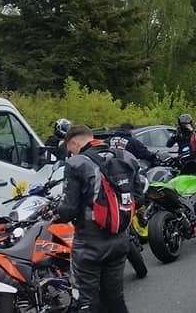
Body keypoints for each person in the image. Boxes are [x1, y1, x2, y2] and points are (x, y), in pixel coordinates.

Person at [57, 124, 144, 313]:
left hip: (89, 244)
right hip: (120, 240)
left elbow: (68, 210)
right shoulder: (126, 156)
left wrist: (58, 212)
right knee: (114, 298)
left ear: (73, 142)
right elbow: (140, 196)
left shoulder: (76, 164)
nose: (69, 153)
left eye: (68, 149)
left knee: (87, 300)